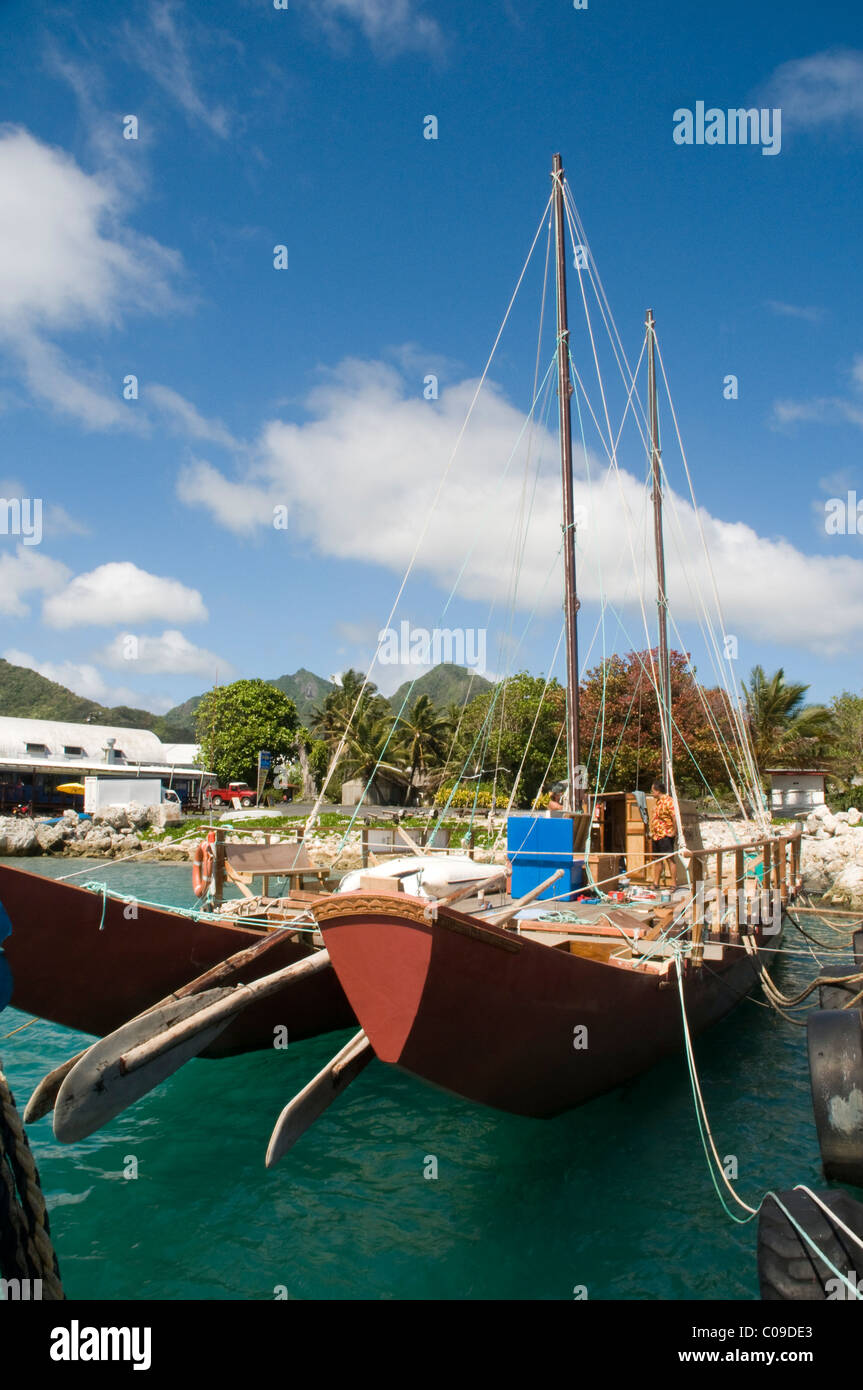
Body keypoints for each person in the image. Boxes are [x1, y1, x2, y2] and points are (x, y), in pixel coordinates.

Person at [649, 779, 677, 889]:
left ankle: (673, 884)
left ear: (658, 791)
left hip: (665, 834)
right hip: (657, 835)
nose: (652, 793)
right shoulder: (658, 802)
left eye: (653, 791)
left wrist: (674, 832)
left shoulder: (668, 801)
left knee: (669, 858)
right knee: (658, 858)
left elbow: (674, 817)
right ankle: (656, 883)